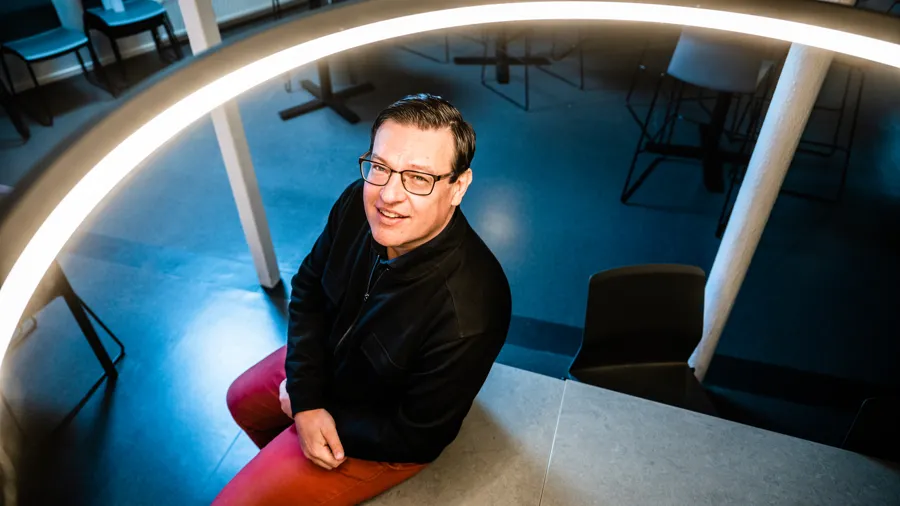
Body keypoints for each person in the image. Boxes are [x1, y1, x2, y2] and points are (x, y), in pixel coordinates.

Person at [213, 93, 512, 505]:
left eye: (418, 178)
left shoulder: (473, 309)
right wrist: (305, 394)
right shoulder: (358, 199)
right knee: (241, 400)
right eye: (380, 167)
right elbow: (308, 288)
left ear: (458, 187)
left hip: (378, 430)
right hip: (331, 369)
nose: (388, 196)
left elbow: (417, 437)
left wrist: (312, 412)